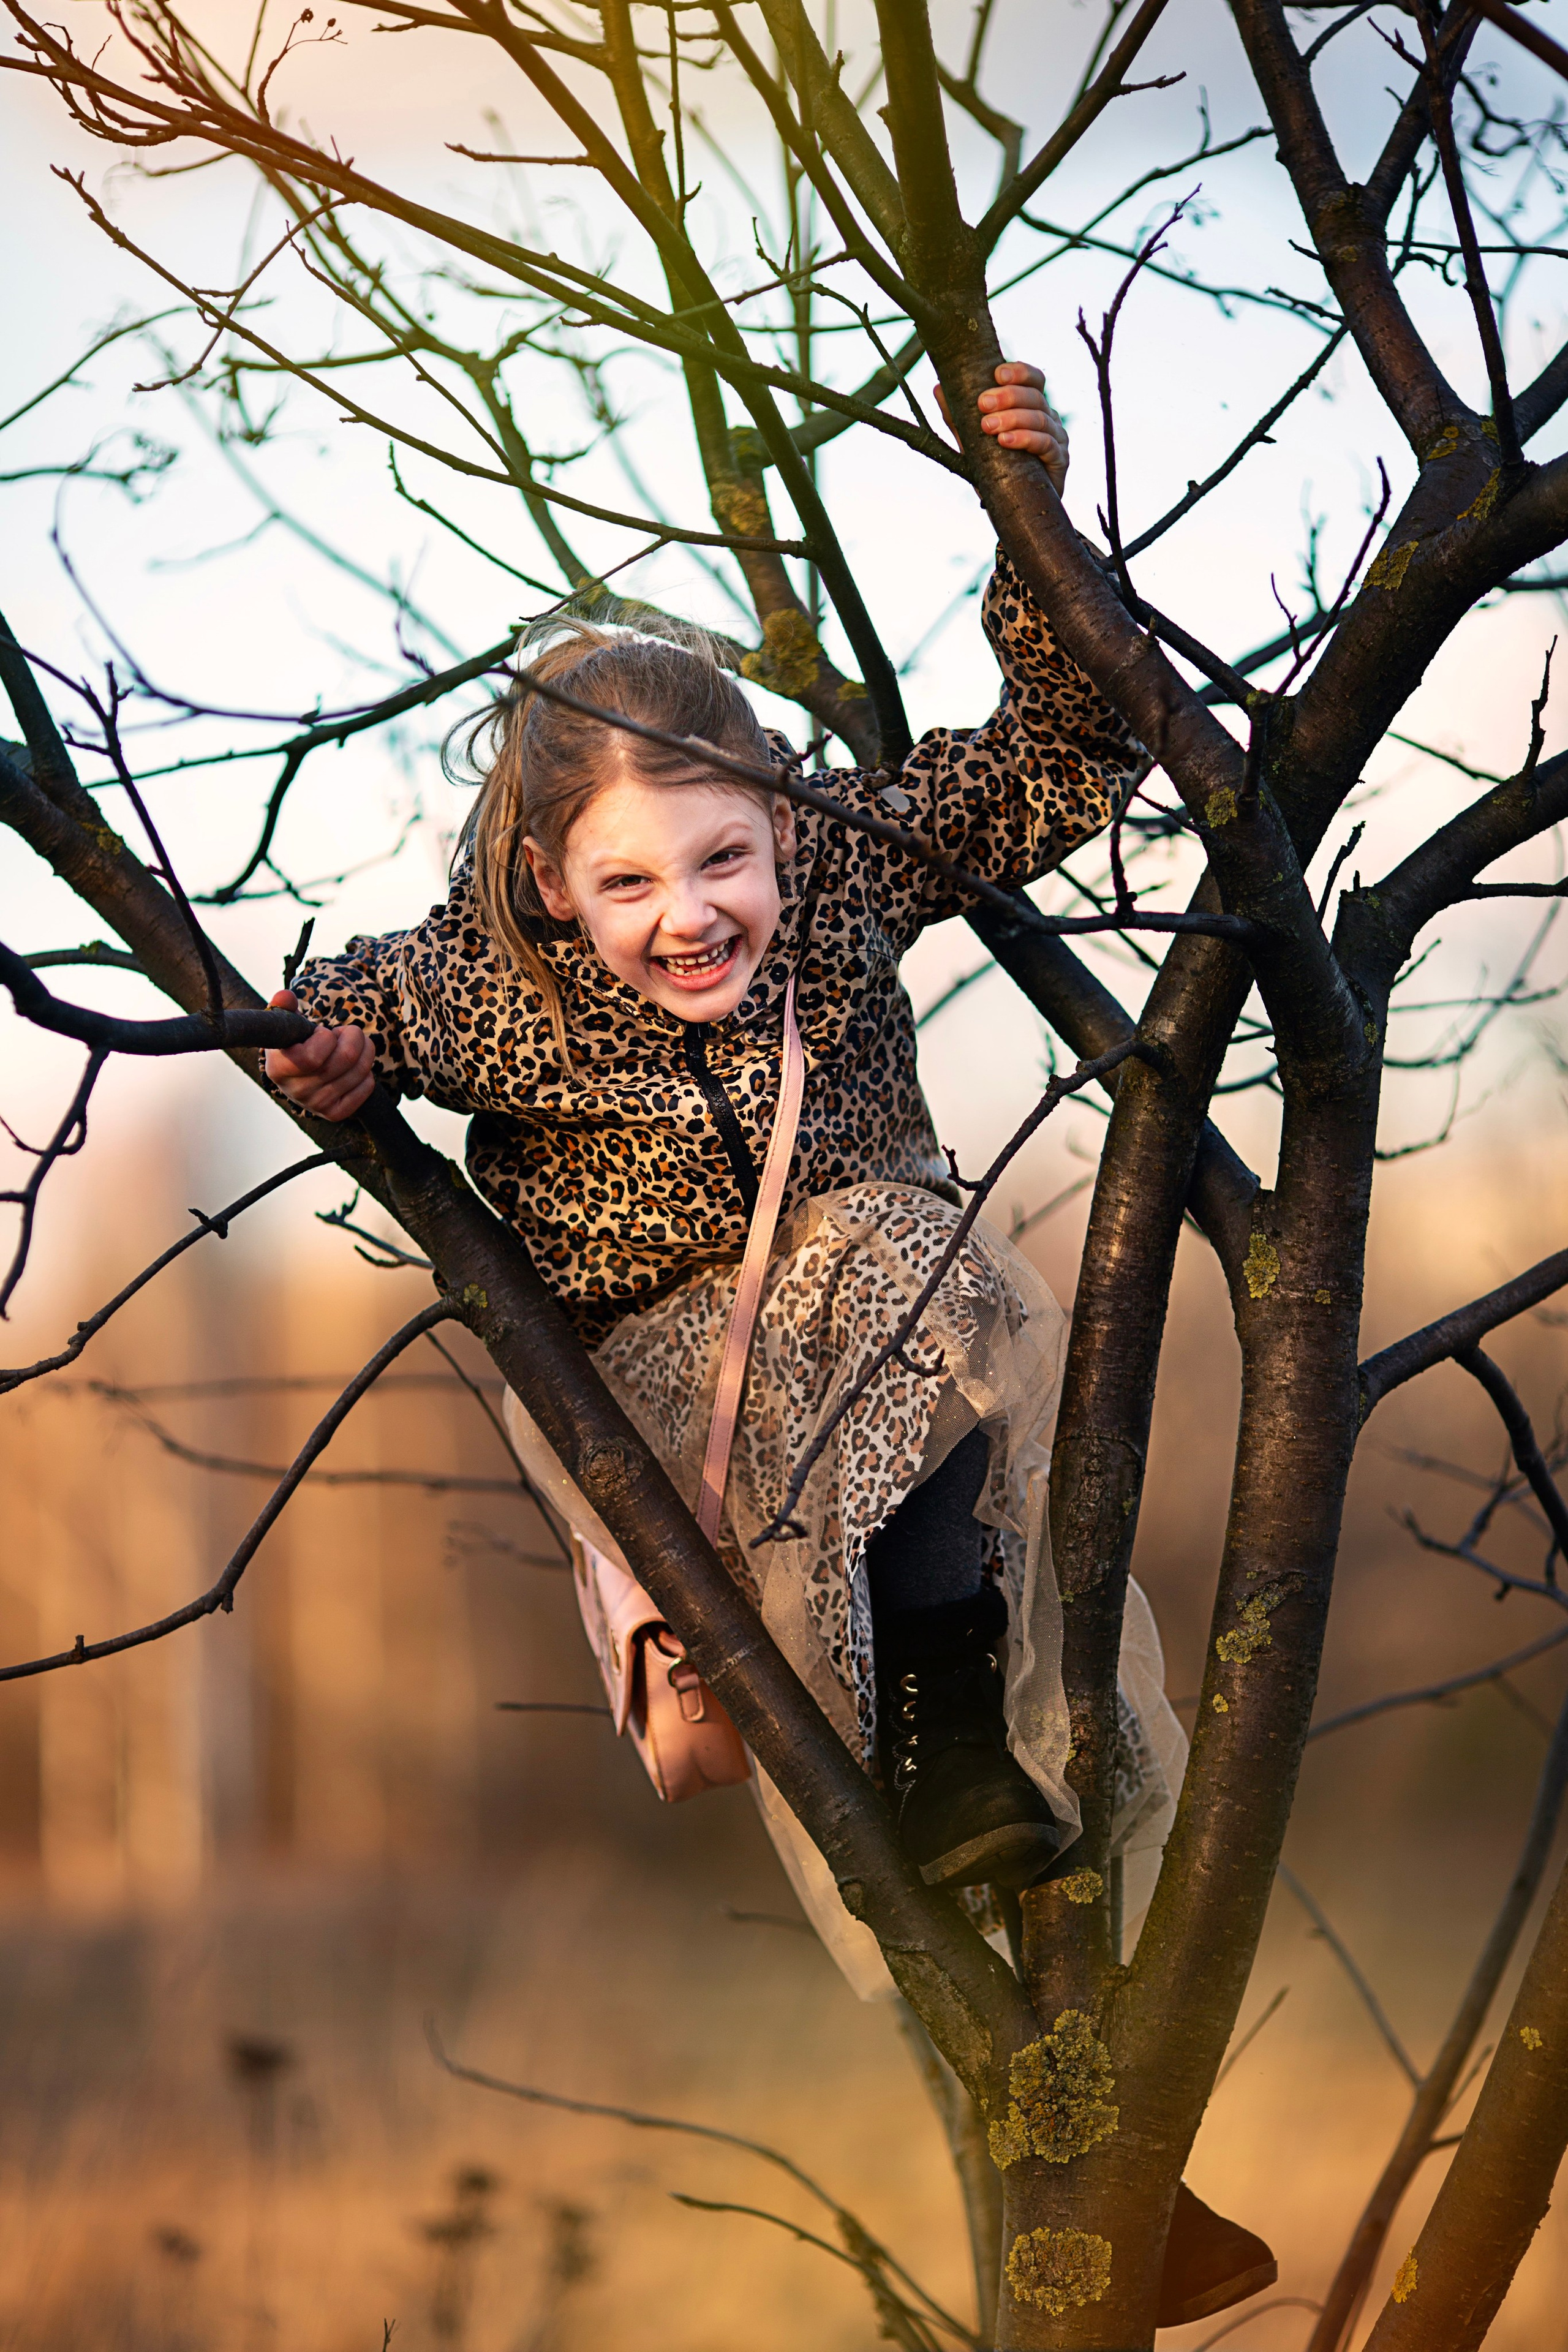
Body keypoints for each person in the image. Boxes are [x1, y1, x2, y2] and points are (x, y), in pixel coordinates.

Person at [265, 363, 1275, 2323]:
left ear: (788, 831)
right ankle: (1022, 2088)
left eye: (724, 859)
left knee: (1084, 1703)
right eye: (629, 883)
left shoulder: (847, 876)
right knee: (853, 1819)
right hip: (691, 1417)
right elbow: (335, 1004)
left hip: (912, 1374)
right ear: (546, 881)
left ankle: (1114, 2107)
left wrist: (1029, 525)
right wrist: (323, 1054)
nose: (689, 916)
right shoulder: (496, 988)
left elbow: (1064, 754)